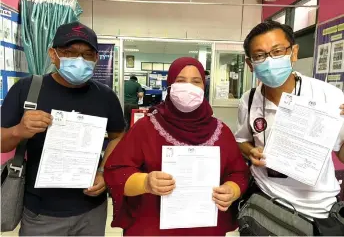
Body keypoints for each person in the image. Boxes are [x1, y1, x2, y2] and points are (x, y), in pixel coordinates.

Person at [1, 22, 125, 236]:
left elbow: (118, 136)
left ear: (96, 58)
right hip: (41, 212)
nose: (79, 60)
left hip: (91, 210)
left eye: (87, 54)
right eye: (70, 52)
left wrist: (104, 172)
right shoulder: (27, 89)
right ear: (53, 53)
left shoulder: (105, 97)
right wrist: (19, 130)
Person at [104, 57, 249, 236]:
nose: (189, 87)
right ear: (170, 85)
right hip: (152, 228)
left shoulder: (221, 132)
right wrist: (145, 182)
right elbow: (116, 172)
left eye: (196, 82)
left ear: (204, 87)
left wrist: (232, 190)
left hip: (204, 228)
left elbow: (239, 173)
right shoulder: (146, 128)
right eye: (180, 81)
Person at [235, 20, 344, 220]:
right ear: (250, 64)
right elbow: (242, 140)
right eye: (259, 56)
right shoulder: (248, 100)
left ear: (293, 52)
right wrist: (251, 151)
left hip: (318, 209)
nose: (269, 60)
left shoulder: (328, 96)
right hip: (265, 201)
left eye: (277, 51)